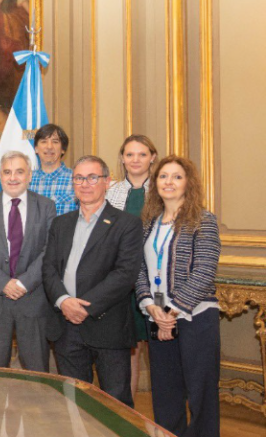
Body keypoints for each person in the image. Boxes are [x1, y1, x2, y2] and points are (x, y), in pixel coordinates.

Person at [42, 155, 143, 407]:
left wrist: (83, 307)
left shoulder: (127, 224)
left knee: (116, 403)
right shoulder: (60, 224)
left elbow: (125, 274)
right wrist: (64, 301)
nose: (85, 184)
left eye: (92, 177)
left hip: (107, 325)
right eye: (79, 178)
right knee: (74, 403)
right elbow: (49, 269)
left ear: (107, 182)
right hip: (66, 327)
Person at [136, 155, 221, 436]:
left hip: (195, 318)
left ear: (188, 183)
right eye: (163, 176)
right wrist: (151, 307)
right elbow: (139, 270)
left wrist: (171, 312)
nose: (168, 182)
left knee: (200, 392)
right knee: (165, 392)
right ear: (154, 183)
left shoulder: (203, 220)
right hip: (158, 318)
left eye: (176, 176)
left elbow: (204, 271)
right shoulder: (148, 223)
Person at [0, 151, 56, 371]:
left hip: (33, 300)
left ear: (29, 176)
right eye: (7, 172)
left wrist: (24, 283)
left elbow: (49, 249)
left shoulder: (46, 206)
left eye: (19, 171)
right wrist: (3, 283)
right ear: (0, 175)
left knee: (37, 373)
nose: (13, 177)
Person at [105, 134, 158, 400]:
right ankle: (129, 412)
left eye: (141, 154)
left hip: (156, 282)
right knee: (130, 350)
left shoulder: (163, 190)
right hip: (120, 282)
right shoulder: (111, 192)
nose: (135, 160)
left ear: (152, 157)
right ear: (122, 159)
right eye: (129, 154)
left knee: (159, 350)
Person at [29, 123, 78, 215]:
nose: (49, 147)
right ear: (36, 149)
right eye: (44, 141)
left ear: (63, 149)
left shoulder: (76, 179)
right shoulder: (26, 180)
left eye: (55, 142)